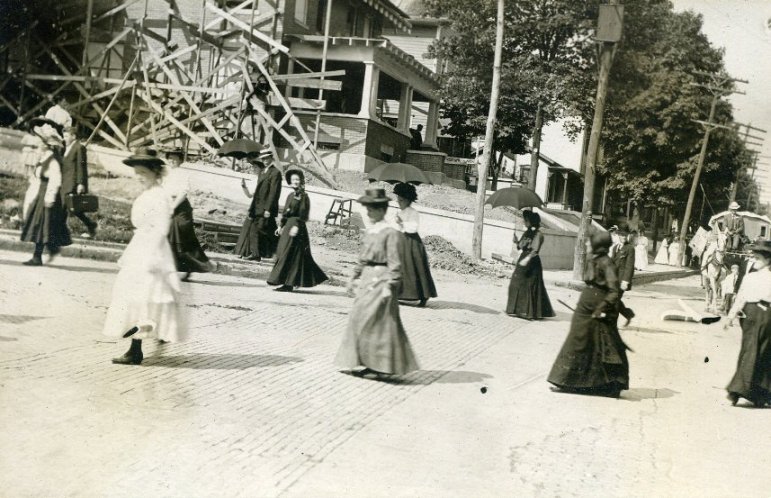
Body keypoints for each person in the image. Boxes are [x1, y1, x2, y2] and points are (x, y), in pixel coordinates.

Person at [103, 148, 186, 365]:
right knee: (135, 297)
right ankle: (136, 348)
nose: (139, 177)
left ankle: (137, 348)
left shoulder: (159, 196)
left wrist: (151, 257)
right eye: (137, 172)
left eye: (144, 173)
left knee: (144, 297)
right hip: (141, 246)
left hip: (152, 250)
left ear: (155, 173)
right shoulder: (148, 193)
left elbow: (162, 228)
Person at [335, 187, 419, 378]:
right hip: (367, 280)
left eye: (372, 209)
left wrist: (390, 285)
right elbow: (363, 257)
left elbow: (395, 262)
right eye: (367, 209)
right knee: (358, 317)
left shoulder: (391, 233)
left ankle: (381, 366)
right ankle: (365, 362)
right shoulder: (371, 231)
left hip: (382, 280)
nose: (368, 213)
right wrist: (353, 277)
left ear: (382, 210)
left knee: (378, 322)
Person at [547, 231, 630, 397]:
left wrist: (601, 308)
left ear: (598, 245)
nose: (586, 244)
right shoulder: (594, 259)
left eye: (589, 242)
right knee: (578, 342)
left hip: (595, 310)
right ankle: (569, 381)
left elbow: (614, 291)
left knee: (594, 345)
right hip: (584, 309)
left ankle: (605, 385)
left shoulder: (607, 263)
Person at [724, 240, 771, 407]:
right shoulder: (749, 277)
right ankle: (739, 389)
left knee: (762, 352)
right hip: (749, 315)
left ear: (768, 260)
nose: (754, 260)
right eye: (753, 257)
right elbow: (741, 297)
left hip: (766, 315)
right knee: (749, 350)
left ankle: (758, 393)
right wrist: (730, 316)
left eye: (758, 258)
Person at [20, 118, 72, 266]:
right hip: (40, 194)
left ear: (46, 145)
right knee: (40, 225)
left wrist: (49, 199)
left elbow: (55, 181)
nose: (38, 144)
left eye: (41, 142)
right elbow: (37, 176)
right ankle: (47, 251)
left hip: (47, 195)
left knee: (42, 225)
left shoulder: (52, 161)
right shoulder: (44, 158)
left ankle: (38, 256)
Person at [267, 168, 328, 292]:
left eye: (297, 179)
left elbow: (304, 214)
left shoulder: (304, 196)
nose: (295, 181)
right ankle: (285, 281)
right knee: (282, 252)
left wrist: (297, 226)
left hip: (297, 228)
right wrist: (280, 226)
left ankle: (288, 284)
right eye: (293, 179)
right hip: (288, 227)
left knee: (290, 254)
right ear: (290, 182)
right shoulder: (290, 195)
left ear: (301, 181)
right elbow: (285, 213)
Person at [162, 148, 211, 281]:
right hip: (168, 205)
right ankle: (169, 267)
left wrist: (173, 207)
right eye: (170, 158)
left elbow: (184, 192)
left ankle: (189, 267)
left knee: (182, 236)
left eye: (175, 158)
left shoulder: (184, 173)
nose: (172, 160)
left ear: (180, 160)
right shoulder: (166, 174)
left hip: (181, 207)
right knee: (167, 236)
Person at [393, 182, 437, 307]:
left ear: (408, 200)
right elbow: (398, 227)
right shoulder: (400, 212)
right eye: (398, 200)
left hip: (412, 243)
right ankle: (400, 293)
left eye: (401, 200)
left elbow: (413, 228)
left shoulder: (413, 213)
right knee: (401, 268)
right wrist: (397, 223)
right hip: (401, 241)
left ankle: (423, 295)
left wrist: (402, 223)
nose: (399, 202)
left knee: (415, 268)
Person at [505, 211, 555, 320]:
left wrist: (526, 260)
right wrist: (516, 241)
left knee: (530, 285)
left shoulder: (538, 234)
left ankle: (529, 312)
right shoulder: (527, 232)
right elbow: (520, 246)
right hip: (523, 258)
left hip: (532, 262)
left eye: (526, 220)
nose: (524, 222)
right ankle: (516, 309)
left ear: (532, 221)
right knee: (516, 282)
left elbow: (535, 250)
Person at [234, 151, 282, 261]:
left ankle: (257, 254)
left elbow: (274, 192)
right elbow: (257, 193)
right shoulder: (262, 172)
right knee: (266, 230)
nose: (265, 160)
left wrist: (268, 209)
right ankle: (270, 253)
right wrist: (252, 208)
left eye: (267, 158)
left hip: (265, 208)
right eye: (263, 159)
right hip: (257, 207)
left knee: (257, 229)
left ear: (271, 158)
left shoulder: (275, 172)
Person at [60, 127, 97, 238]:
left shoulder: (79, 148)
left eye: (66, 136)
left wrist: (80, 183)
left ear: (73, 136)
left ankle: (60, 231)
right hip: (64, 181)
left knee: (64, 206)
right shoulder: (66, 147)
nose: (64, 138)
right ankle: (90, 224)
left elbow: (81, 166)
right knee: (73, 207)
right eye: (64, 136)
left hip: (73, 182)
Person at [613, 231, 636, 326]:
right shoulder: (615, 247)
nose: (624, 237)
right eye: (622, 235)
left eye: (625, 235)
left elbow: (629, 266)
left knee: (614, 300)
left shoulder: (630, 248)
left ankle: (612, 325)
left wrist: (625, 281)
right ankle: (628, 314)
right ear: (618, 236)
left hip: (622, 280)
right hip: (613, 279)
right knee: (614, 299)